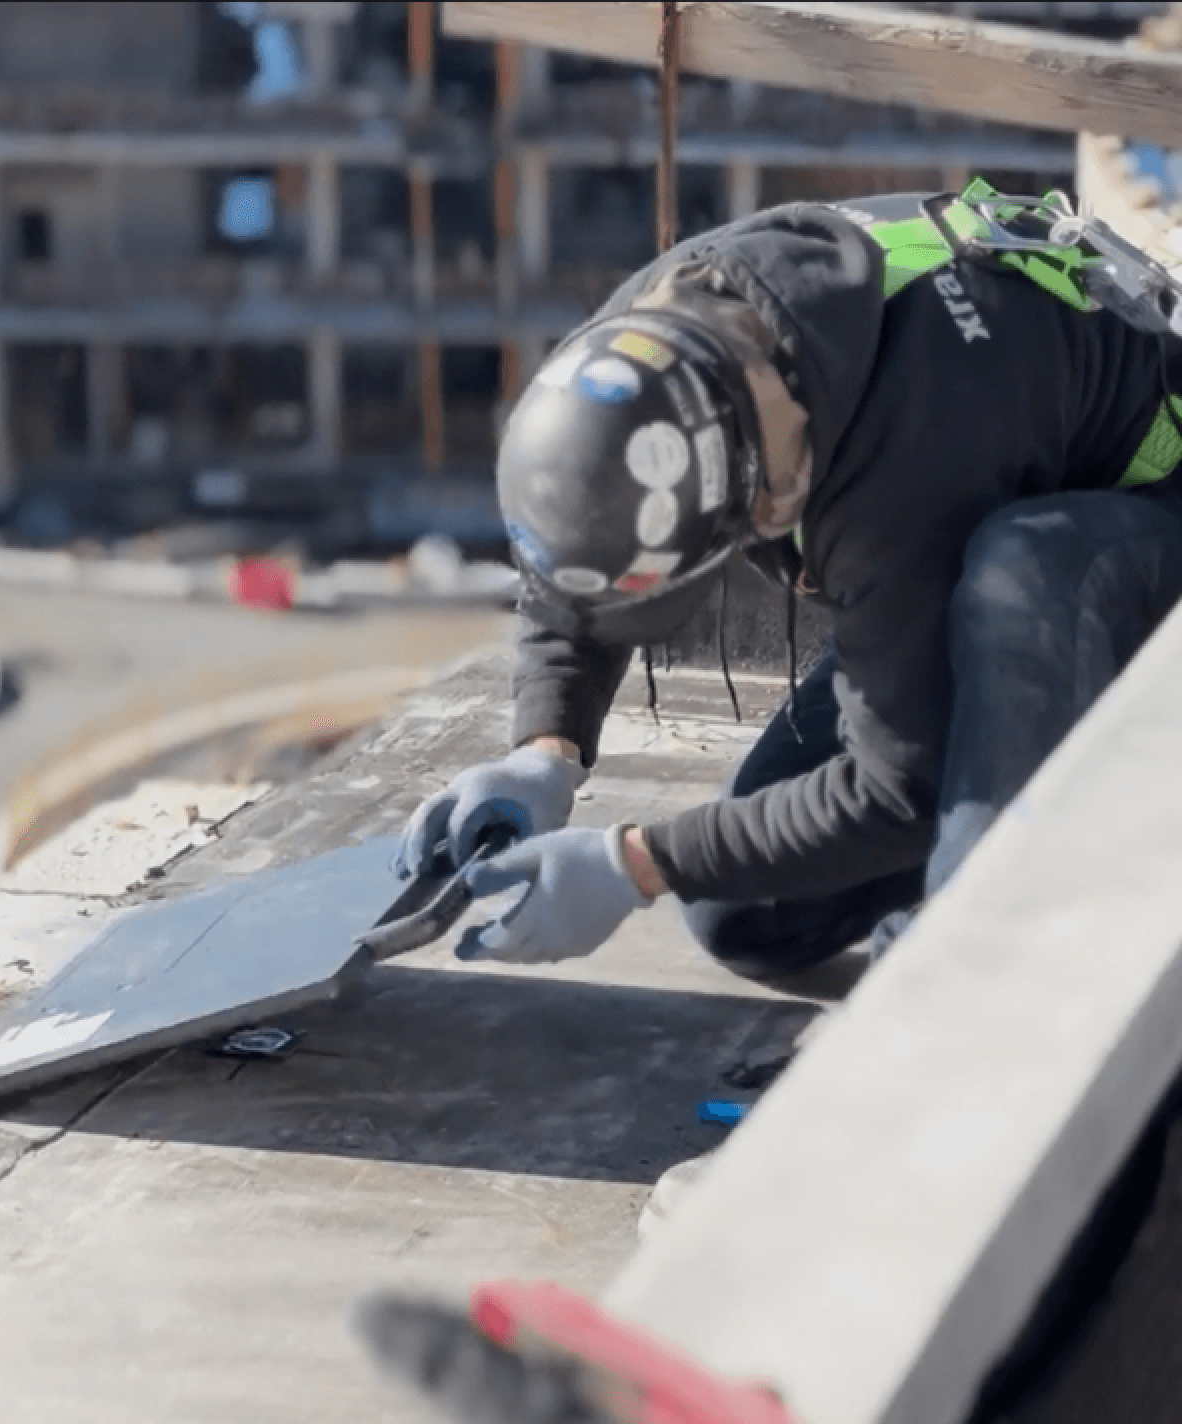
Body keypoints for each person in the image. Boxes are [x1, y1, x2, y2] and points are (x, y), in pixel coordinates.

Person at [398, 184, 1182, 972]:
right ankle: (1029, 823)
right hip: (993, 514)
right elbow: (582, 535)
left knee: (1021, 572)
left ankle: (984, 966)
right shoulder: (652, 339)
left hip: (1138, 546)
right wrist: (545, 748)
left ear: (746, 494)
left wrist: (633, 862)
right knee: (746, 913)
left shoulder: (906, 458)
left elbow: (897, 794)